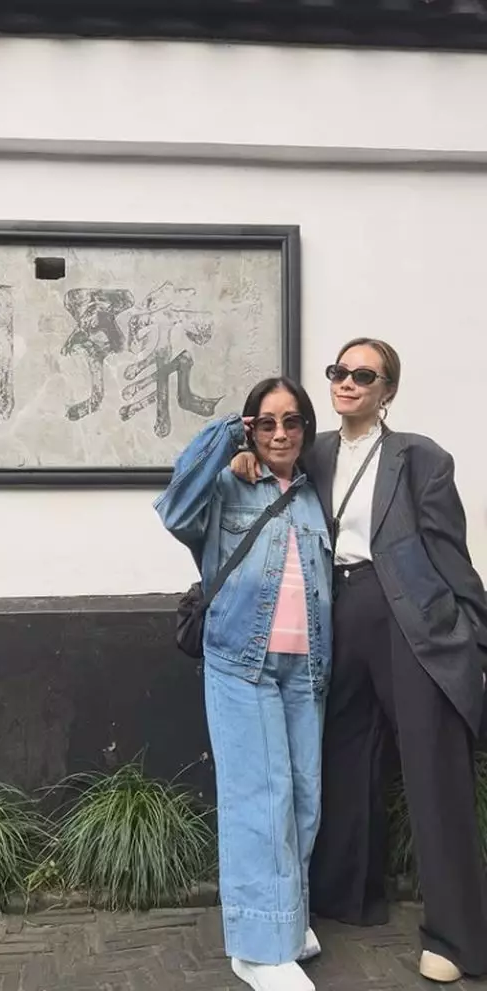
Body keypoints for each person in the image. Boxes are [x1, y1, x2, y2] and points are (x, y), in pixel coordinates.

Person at [230, 339, 487, 983]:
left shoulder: (421, 458)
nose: (346, 383)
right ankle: (350, 897)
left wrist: (474, 638)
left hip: (407, 619)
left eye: (363, 375)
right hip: (332, 613)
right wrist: (242, 455)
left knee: (432, 770)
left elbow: (450, 555)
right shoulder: (311, 450)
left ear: (387, 389)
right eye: (339, 372)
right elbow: (268, 468)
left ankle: (457, 939)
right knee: (343, 756)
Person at [154, 377, 333, 991]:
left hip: (306, 669)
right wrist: (231, 434)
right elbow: (176, 507)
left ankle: (285, 924)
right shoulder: (229, 485)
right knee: (261, 798)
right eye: (266, 423)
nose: (280, 434)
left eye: (292, 422)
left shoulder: (311, 495)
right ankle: (257, 950)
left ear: (306, 429)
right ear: (251, 428)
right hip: (242, 664)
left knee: (303, 797)